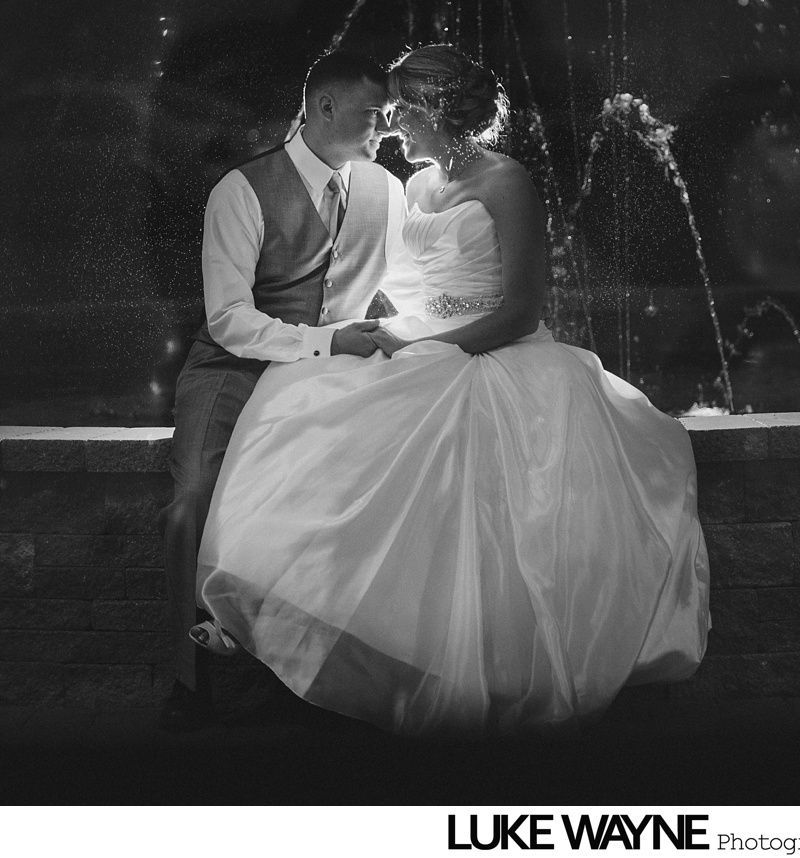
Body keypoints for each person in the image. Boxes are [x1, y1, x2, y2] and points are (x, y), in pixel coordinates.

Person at [192, 44, 711, 737]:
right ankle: (291, 623)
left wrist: (423, 348)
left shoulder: (506, 181)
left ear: (438, 110)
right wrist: (371, 335)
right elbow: (398, 281)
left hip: (498, 353)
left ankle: (482, 671)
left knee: (481, 520)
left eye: (402, 111)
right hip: (422, 347)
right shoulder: (413, 185)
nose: (390, 128)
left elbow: (521, 311)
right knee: (303, 413)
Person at [158, 50, 407, 731]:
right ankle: (195, 679)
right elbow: (229, 319)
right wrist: (325, 344)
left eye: (389, 115)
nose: (387, 127)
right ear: (322, 108)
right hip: (236, 368)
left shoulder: (388, 190)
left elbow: (405, 285)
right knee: (195, 497)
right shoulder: (240, 190)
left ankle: (336, 673)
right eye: (373, 114)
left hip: (337, 372)